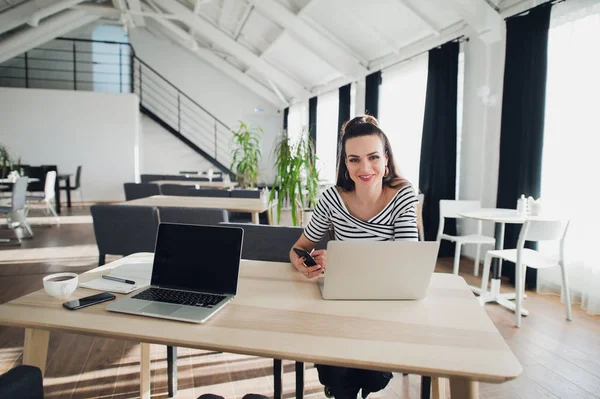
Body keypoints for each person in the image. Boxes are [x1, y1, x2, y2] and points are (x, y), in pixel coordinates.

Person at [288, 115, 419, 399]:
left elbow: (406, 260)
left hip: (385, 304)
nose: (365, 167)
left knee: (374, 377)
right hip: (340, 302)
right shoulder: (332, 199)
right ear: (345, 165)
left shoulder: (403, 195)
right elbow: (299, 247)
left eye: (373, 157)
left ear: (386, 161)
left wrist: (343, 261)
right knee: (337, 374)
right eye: (354, 159)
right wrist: (303, 263)